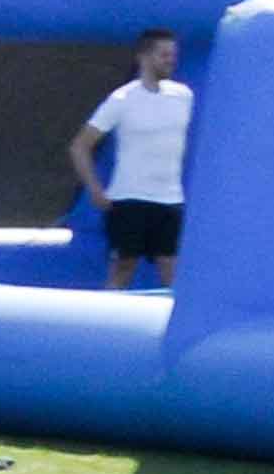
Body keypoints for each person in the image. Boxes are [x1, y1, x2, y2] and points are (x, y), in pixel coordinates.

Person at [71, 28, 193, 289]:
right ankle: (108, 313)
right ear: (144, 57)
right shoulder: (122, 99)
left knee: (171, 270)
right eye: (164, 55)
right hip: (129, 199)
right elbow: (80, 146)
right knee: (123, 269)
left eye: (173, 55)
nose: (170, 61)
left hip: (169, 199)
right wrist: (95, 190)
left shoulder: (183, 96)